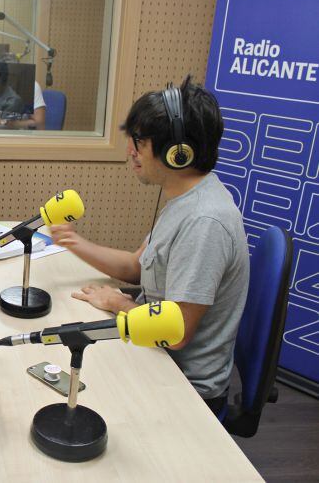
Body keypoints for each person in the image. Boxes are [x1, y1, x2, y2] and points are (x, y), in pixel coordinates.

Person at [50, 76, 249, 415]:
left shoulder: (205, 222)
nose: (130, 152)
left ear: (178, 153)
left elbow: (178, 332)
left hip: (184, 387)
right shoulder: (184, 199)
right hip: (154, 351)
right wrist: (74, 242)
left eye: (139, 142)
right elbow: (137, 267)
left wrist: (118, 303)